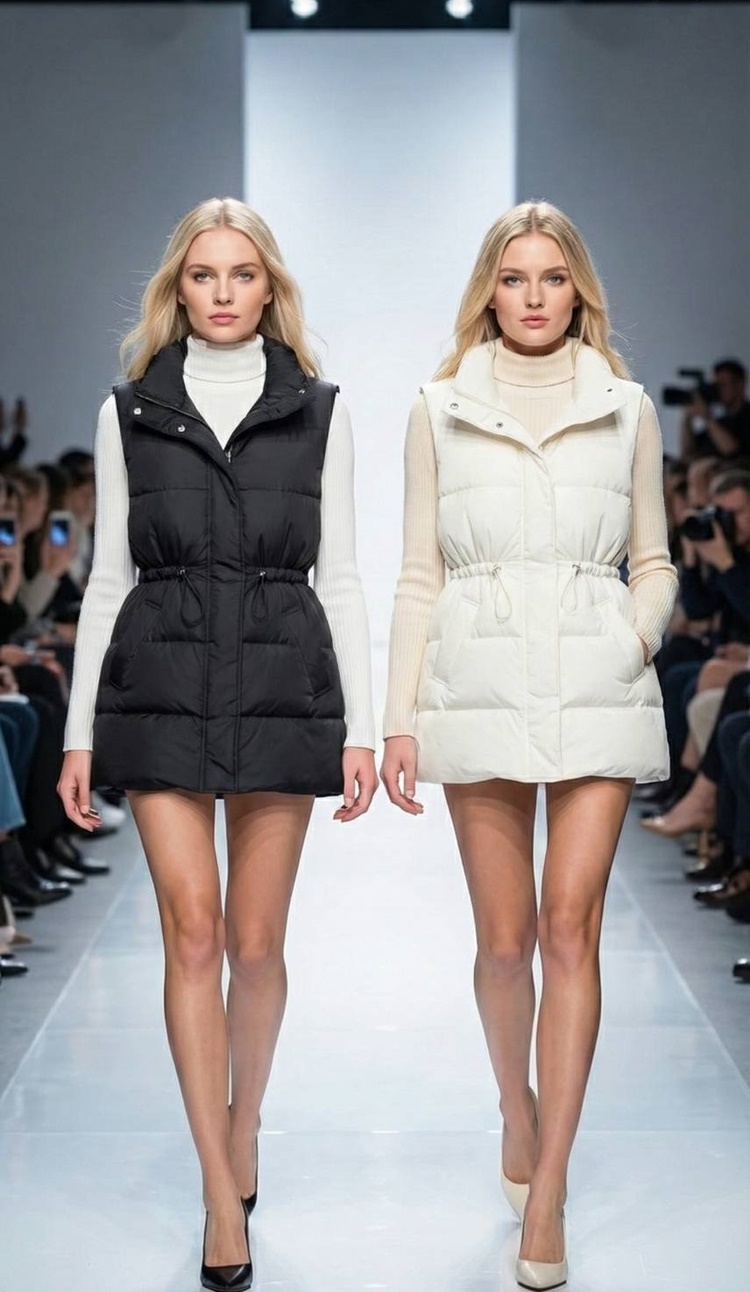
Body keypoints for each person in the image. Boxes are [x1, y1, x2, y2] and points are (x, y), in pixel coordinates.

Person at [57, 198, 378, 1292]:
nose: (224, 291)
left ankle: (245, 1125)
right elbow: (107, 578)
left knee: (255, 943)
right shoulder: (129, 411)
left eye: (243, 273)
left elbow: (344, 576)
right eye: (204, 274)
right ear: (178, 288)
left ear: (269, 286)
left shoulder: (321, 410)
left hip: (283, 683)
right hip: (159, 685)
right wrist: (77, 734)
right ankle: (214, 1188)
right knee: (192, 936)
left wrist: (361, 727)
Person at [380, 201, 677, 1290]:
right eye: (515, 278)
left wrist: (634, 634)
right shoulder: (440, 408)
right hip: (481, 682)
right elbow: (420, 573)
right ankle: (517, 1106)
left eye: (553, 277)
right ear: (490, 291)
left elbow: (654, 557)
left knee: (568, 930)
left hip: (597, 684)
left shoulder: (627, 407)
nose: (535, 296)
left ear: (578, 289)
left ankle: (547, 1191)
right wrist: (399, 716)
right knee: (504, 943)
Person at [680, 359, 750, 464]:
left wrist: (707, 417)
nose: (718, 390)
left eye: (723, 385)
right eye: (716, 386)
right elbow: (688, 453)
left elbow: (733, 452)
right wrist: (687, 418)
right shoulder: (721, 422)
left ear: (740, 384)